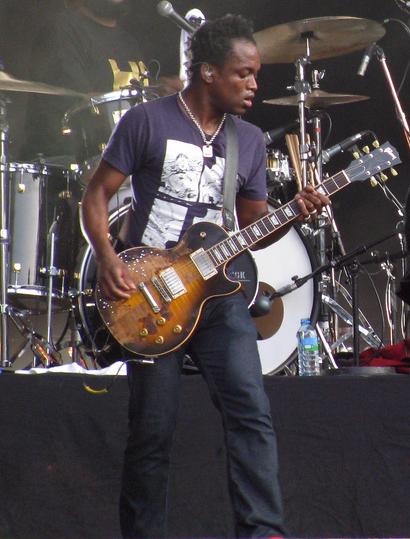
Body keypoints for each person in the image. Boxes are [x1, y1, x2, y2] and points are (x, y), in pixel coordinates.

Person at [81, 14, 330, 539]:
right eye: (244, 74)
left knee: (251, 412)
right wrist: (107, 257)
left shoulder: (251, 140)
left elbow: (254, 228)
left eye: (257, 74)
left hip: (219, 297)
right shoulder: (148, 121)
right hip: (151, 295)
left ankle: (263, 531)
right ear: (209, 72)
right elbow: (97, 195)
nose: (254, 85)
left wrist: (293, 212)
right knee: (152, 432)